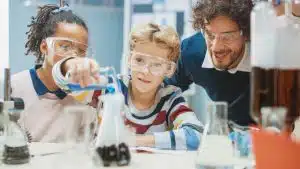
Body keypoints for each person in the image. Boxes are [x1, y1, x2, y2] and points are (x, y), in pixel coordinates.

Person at [53, 23, 203, 150]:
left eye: (157, 64)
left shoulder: (171, 98)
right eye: (139, 60)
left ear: (169, 69)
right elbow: (64, 84)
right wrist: (71, 68)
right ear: (129, 59)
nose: (145, 71)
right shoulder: (110, 86)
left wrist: (133, 140)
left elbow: (196, 136)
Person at [11, 4, 97, 142]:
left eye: (81, 51)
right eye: (64, 46)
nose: (73, 56)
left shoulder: (84, 95)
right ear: (44, 47)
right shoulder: (14, 87)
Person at [165, 0, 255, 126]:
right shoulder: (191, 51)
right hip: (226, 131)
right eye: (210, 35)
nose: (216, 47)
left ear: (246, 34)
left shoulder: (267, 55)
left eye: (227, 37)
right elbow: (164, 93)